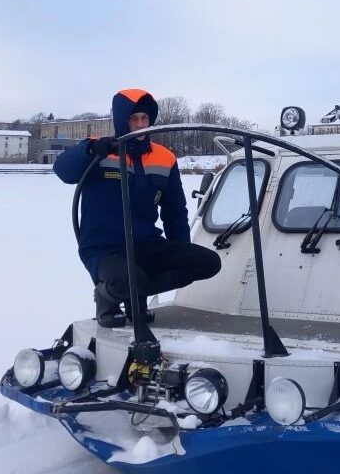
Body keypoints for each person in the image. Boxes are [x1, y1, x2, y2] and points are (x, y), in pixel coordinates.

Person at [54, 88, 221, 339]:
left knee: (207, 263)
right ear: (122, 120)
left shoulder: (165, 158)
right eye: (134, 119)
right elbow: (63, 170)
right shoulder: (99, 152)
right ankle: (108, 295)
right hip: (104, 248)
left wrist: (179, 250)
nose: (141, 125)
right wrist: (90, 150)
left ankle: (135, 295)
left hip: (147, 244)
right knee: (130, 279)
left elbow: (175, 210)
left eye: (144, 118)